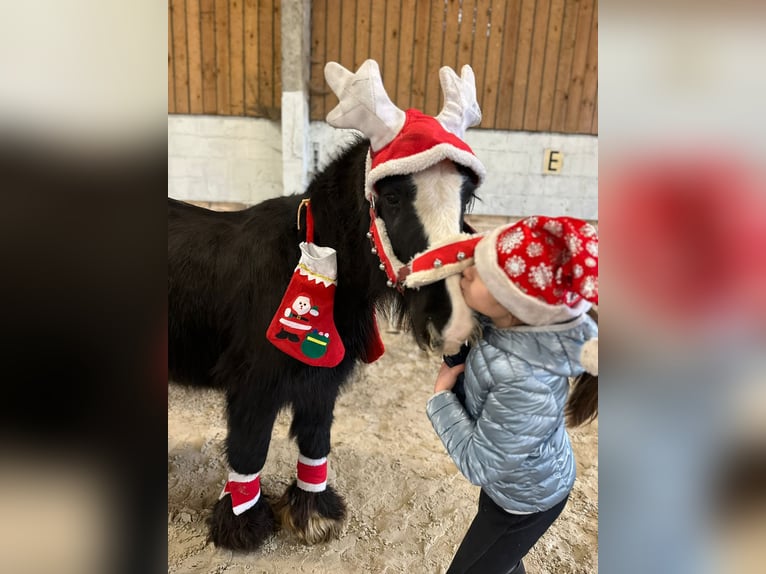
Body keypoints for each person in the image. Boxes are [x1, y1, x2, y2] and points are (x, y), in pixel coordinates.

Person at [425, 215, 599, 574]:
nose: (469, 271)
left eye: (485, 273)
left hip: (526, 502)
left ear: (514, 305)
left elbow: (479, 463)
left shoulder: (526, 381)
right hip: (514, 483)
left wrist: (441, 398)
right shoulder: (511, 327)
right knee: (499, 561)